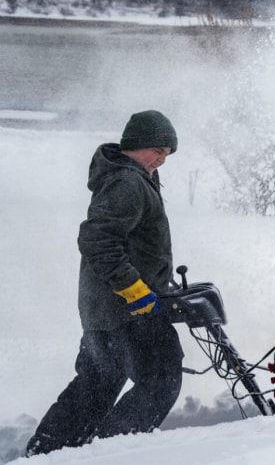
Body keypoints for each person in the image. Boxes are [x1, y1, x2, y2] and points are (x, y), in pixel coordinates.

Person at [26, 110, 184, 456]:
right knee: (161, 379)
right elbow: (97, 240)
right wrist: (136, 290)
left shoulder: (128, 177)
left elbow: (132, 243)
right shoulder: (127, 182)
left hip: (105, 307)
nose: (161, 160)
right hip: (126, 309)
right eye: (156, 150)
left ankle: (46, 453)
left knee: (96, 384)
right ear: (136, 144)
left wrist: (160, 281)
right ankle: (108, 453)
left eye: (167, 154)